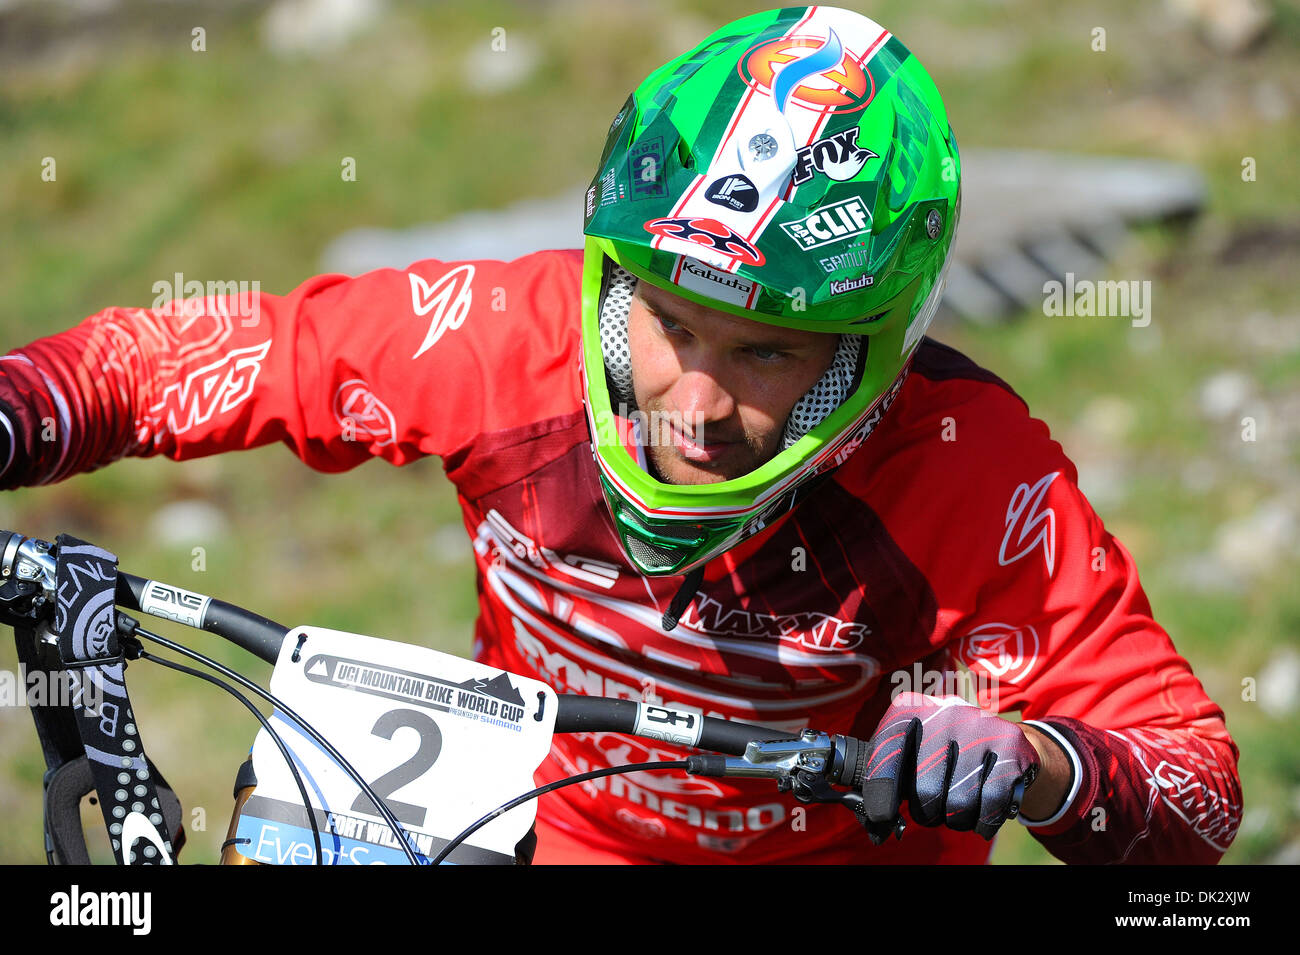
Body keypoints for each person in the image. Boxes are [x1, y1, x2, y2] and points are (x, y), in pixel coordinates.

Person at [0, 7, 1240, 864]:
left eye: (768, 351)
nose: (692, 405)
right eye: (669, 326)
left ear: (876, 350)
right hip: (536, 822)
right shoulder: (504, 333)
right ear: (612, 286)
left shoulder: (967, 467)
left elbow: (1194, 793)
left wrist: (1037, 758)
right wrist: (19, 410)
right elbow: (196, 358)